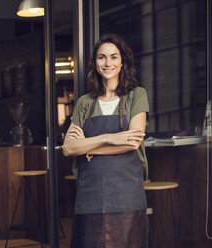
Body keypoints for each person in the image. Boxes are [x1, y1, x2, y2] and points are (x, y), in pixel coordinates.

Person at [63, 33, 149, 248]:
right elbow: (68, 147)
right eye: (102, 57)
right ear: (95, 62)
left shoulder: (137, 95)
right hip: (90, 194)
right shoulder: (84, 102)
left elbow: (132, 143)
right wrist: (109, 138)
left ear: (122, 62)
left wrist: (87, 146)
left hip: (126, 194)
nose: (108, 63)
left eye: (113, 57)